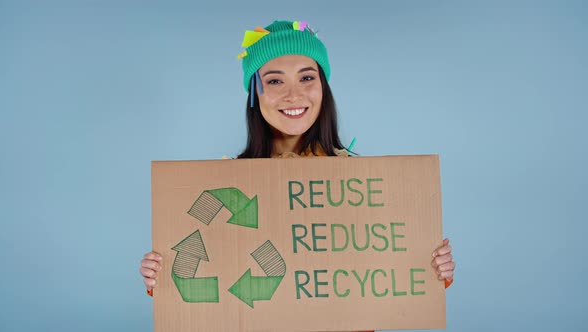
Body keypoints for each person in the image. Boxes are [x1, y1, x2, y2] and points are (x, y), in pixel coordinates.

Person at [139, 19, 456, 331]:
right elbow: (208, 281)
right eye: (275, 81)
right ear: (255, 94)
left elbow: (380, 278)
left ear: (323, 87)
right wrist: (163, 276)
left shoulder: (359, 184)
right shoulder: (227, 184)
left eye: (307, 77)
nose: (293, 95)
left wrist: (431, 268)